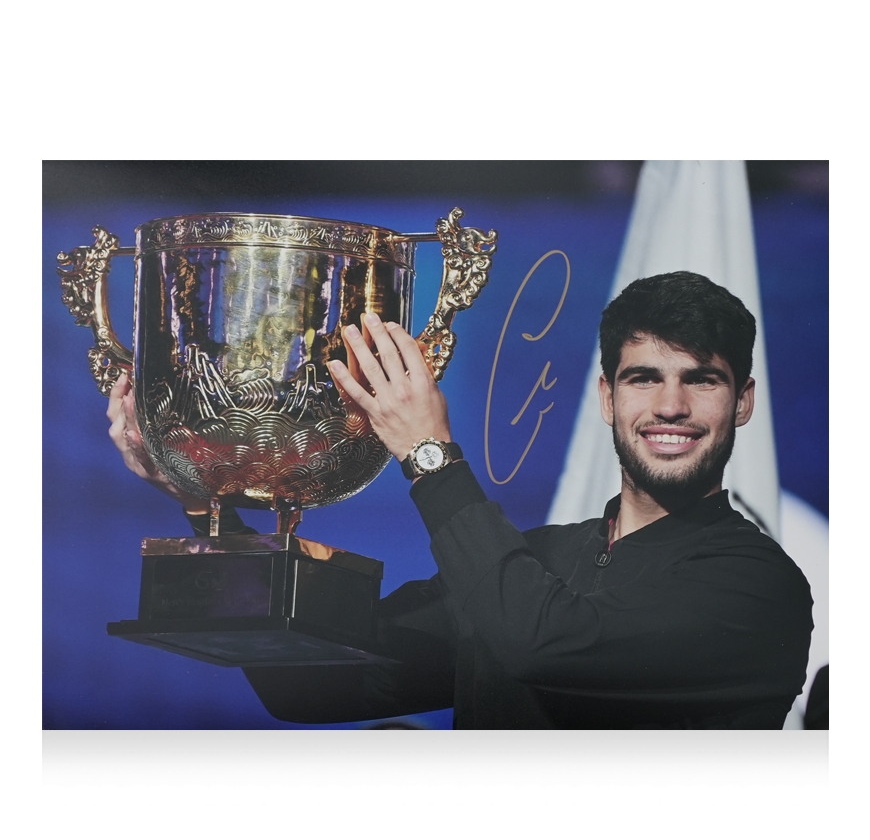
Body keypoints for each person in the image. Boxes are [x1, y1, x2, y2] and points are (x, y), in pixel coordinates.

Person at [108, 271, 813, 729]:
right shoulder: (534, 561)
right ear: (607, 397)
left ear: (742, 402)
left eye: (702, 379)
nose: (671, 406)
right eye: (643, 378)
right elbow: (306, 685)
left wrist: (428, 453)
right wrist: (207, 496)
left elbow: (541, 646)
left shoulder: (756, 585)